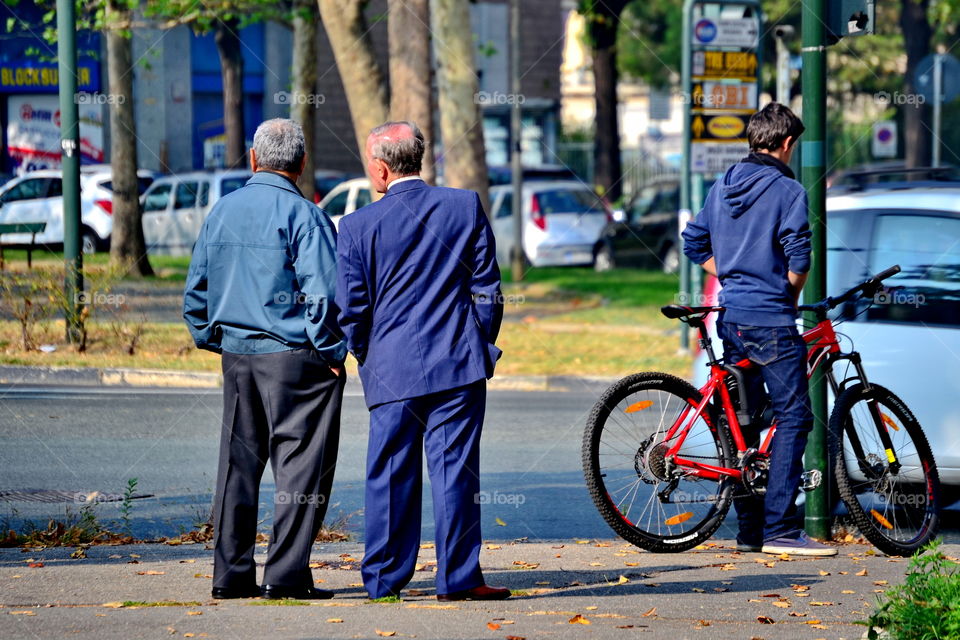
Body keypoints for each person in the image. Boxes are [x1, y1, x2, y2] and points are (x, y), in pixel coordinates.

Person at [336, 121, 510, 601]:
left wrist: (369, 356)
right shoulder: (463, 206)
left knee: (389, 475)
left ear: (382, 168)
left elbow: (350, 310)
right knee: (455, 472)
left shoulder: (355, 226)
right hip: (458, 363)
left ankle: (383, 580)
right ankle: (457, 579)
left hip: (391, 371)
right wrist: (479, 346)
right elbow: (488, 292)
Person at [183, 118, 348, 599]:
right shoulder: (306, 215)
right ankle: (286, 575)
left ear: (254, 160)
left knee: (237, 467)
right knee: (300, 472)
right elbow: (323, 296)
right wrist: (333, 352)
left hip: (238, 356)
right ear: (301, 163)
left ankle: (230, 576)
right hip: (296, 358)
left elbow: (196, 292)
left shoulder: (222, 211)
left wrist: (215, 336)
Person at [682, 102, 837, 557]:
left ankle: (750, 532)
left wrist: (729, 273)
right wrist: (785, 295)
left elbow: (694, 242)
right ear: (787, 144)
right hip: (769, 318)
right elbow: (799, 259)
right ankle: (781, 530)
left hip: (730, 318)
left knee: (744, 420)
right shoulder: (787, 189)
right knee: (795, 417)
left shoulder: (723, 183)